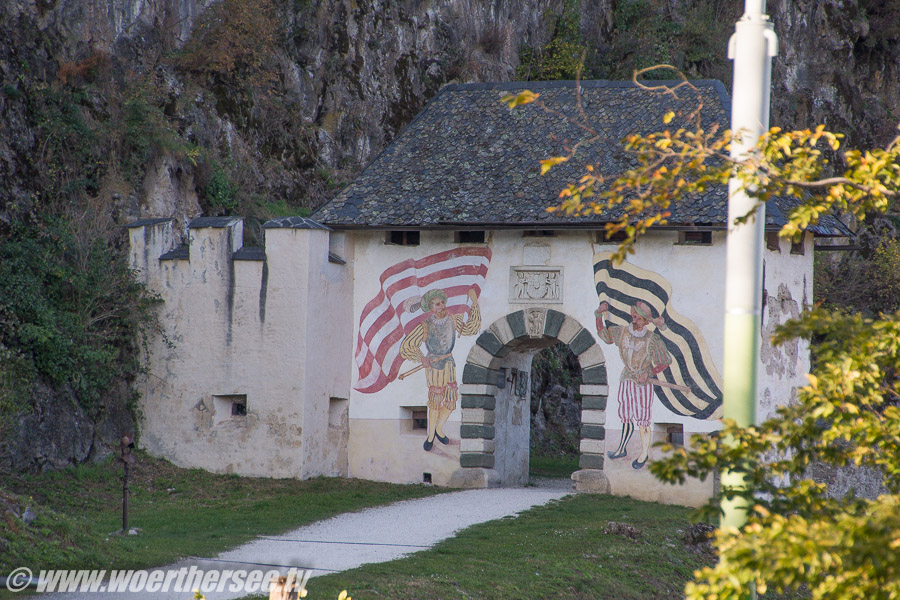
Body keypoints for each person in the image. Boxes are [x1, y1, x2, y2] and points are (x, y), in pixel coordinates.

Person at [401, 288, 481, 451]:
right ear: (431, 308)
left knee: (451, 400)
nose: (441, 306)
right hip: (434, 366)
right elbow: (407, 346)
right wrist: (421, 358)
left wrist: (474, 304)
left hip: (449, 363)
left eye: (442, 302)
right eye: (437, 304)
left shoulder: (453, 319)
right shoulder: (425, 326)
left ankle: (439, 429)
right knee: (436, 401)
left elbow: (471, 328)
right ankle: (430, 436)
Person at [595, 300, 672, 469]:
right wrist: (599, 314)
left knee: (643, 419)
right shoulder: (622, 332)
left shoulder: (652, 339)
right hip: (626, 378)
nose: (634, 318)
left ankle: (644, 453)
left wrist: (649, 372)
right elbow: (604, 335)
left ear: (645, 321)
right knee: (626, 415)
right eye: (634, 314)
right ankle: (622, 448)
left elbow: (665, 360)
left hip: (643, 383)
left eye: (638, 316)